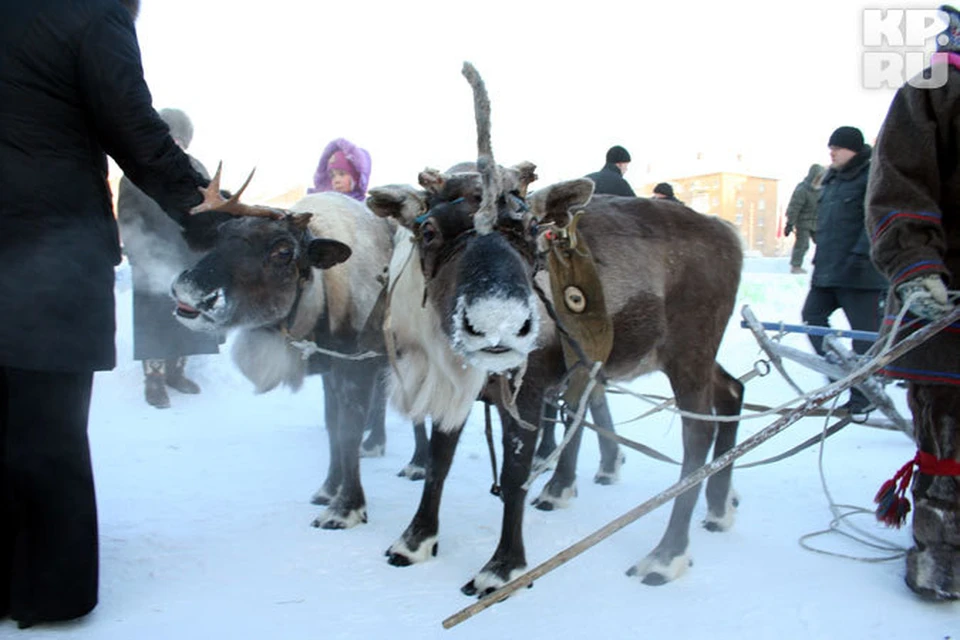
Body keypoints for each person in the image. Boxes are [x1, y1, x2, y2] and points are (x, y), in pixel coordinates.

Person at [0, 0, 227, 628]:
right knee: (46, 429)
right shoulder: (88, 12)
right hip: (46, 249)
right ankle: (50, 592)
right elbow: (132, 123)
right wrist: (207, 215)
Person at [865, 4, 960, 601]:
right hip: (949, 302)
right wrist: (918, 268)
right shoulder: (938, 86)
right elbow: (900, 183)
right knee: (949, 437)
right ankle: (943, 558)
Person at [117, 108, 223, 409]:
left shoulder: (196, 167)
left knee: (187, 315)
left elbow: (211, 213)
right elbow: (127, 215)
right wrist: (138, 253)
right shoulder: (136, 169)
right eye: (168, 136)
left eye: (180, 138)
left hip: (189, 257)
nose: (174, 143)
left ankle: (177, 372)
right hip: (149, 256)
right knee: (154, 319)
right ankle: (154, 378)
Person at [800, 126, 888, 414]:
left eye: (836, 148)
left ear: (853, 149)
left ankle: (864, 395)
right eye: (830, 149)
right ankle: (839, 372)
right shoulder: (832, 180)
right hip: (827, 270)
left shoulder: (872, 176)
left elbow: (874, 220)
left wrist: (861, 255)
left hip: (860, 273)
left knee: (864, 336)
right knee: (812, 317)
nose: (832, 153)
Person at [784, 164, 825, 274]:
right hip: (803, 222)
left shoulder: (823, 190)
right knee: (802, 244)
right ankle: (796, 266)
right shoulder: (802, 190)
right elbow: (794, 207)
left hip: (817, 221)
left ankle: (823, 266)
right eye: (817, 177)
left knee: (824, 243)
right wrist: (790, 224)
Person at [307, 138, 372, 201]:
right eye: (332, 176)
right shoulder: (325, 202)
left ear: (356, 177)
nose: (336, 181)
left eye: (342, 174)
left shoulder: (365, 206)